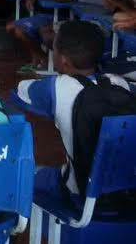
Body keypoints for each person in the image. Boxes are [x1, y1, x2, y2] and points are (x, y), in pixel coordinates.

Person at [16, 21, 135, 201]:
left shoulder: (56, 87)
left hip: (79, 193)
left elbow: (21, 89)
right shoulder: (121, 84)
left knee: (27, 172)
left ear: (63, 59)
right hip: (127, 190)